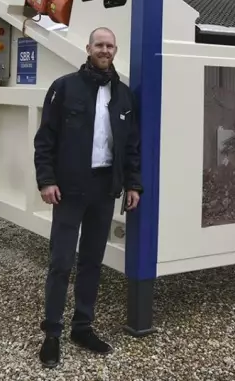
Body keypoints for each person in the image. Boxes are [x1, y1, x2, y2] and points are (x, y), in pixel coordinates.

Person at [33, 26, 143, 368]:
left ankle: (83, 326)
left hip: (103, 189)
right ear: (88, 48)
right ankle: (52, 333)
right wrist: (46, 180)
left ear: (115, 51)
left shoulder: (123, 95)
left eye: (110, 46)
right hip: (68, 190)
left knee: (92, 263)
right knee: (61, 261)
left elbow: (131, 147)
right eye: (100, 44)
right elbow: (45, 139)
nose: (105, 50)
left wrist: (133, 185)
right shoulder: (63, 88)